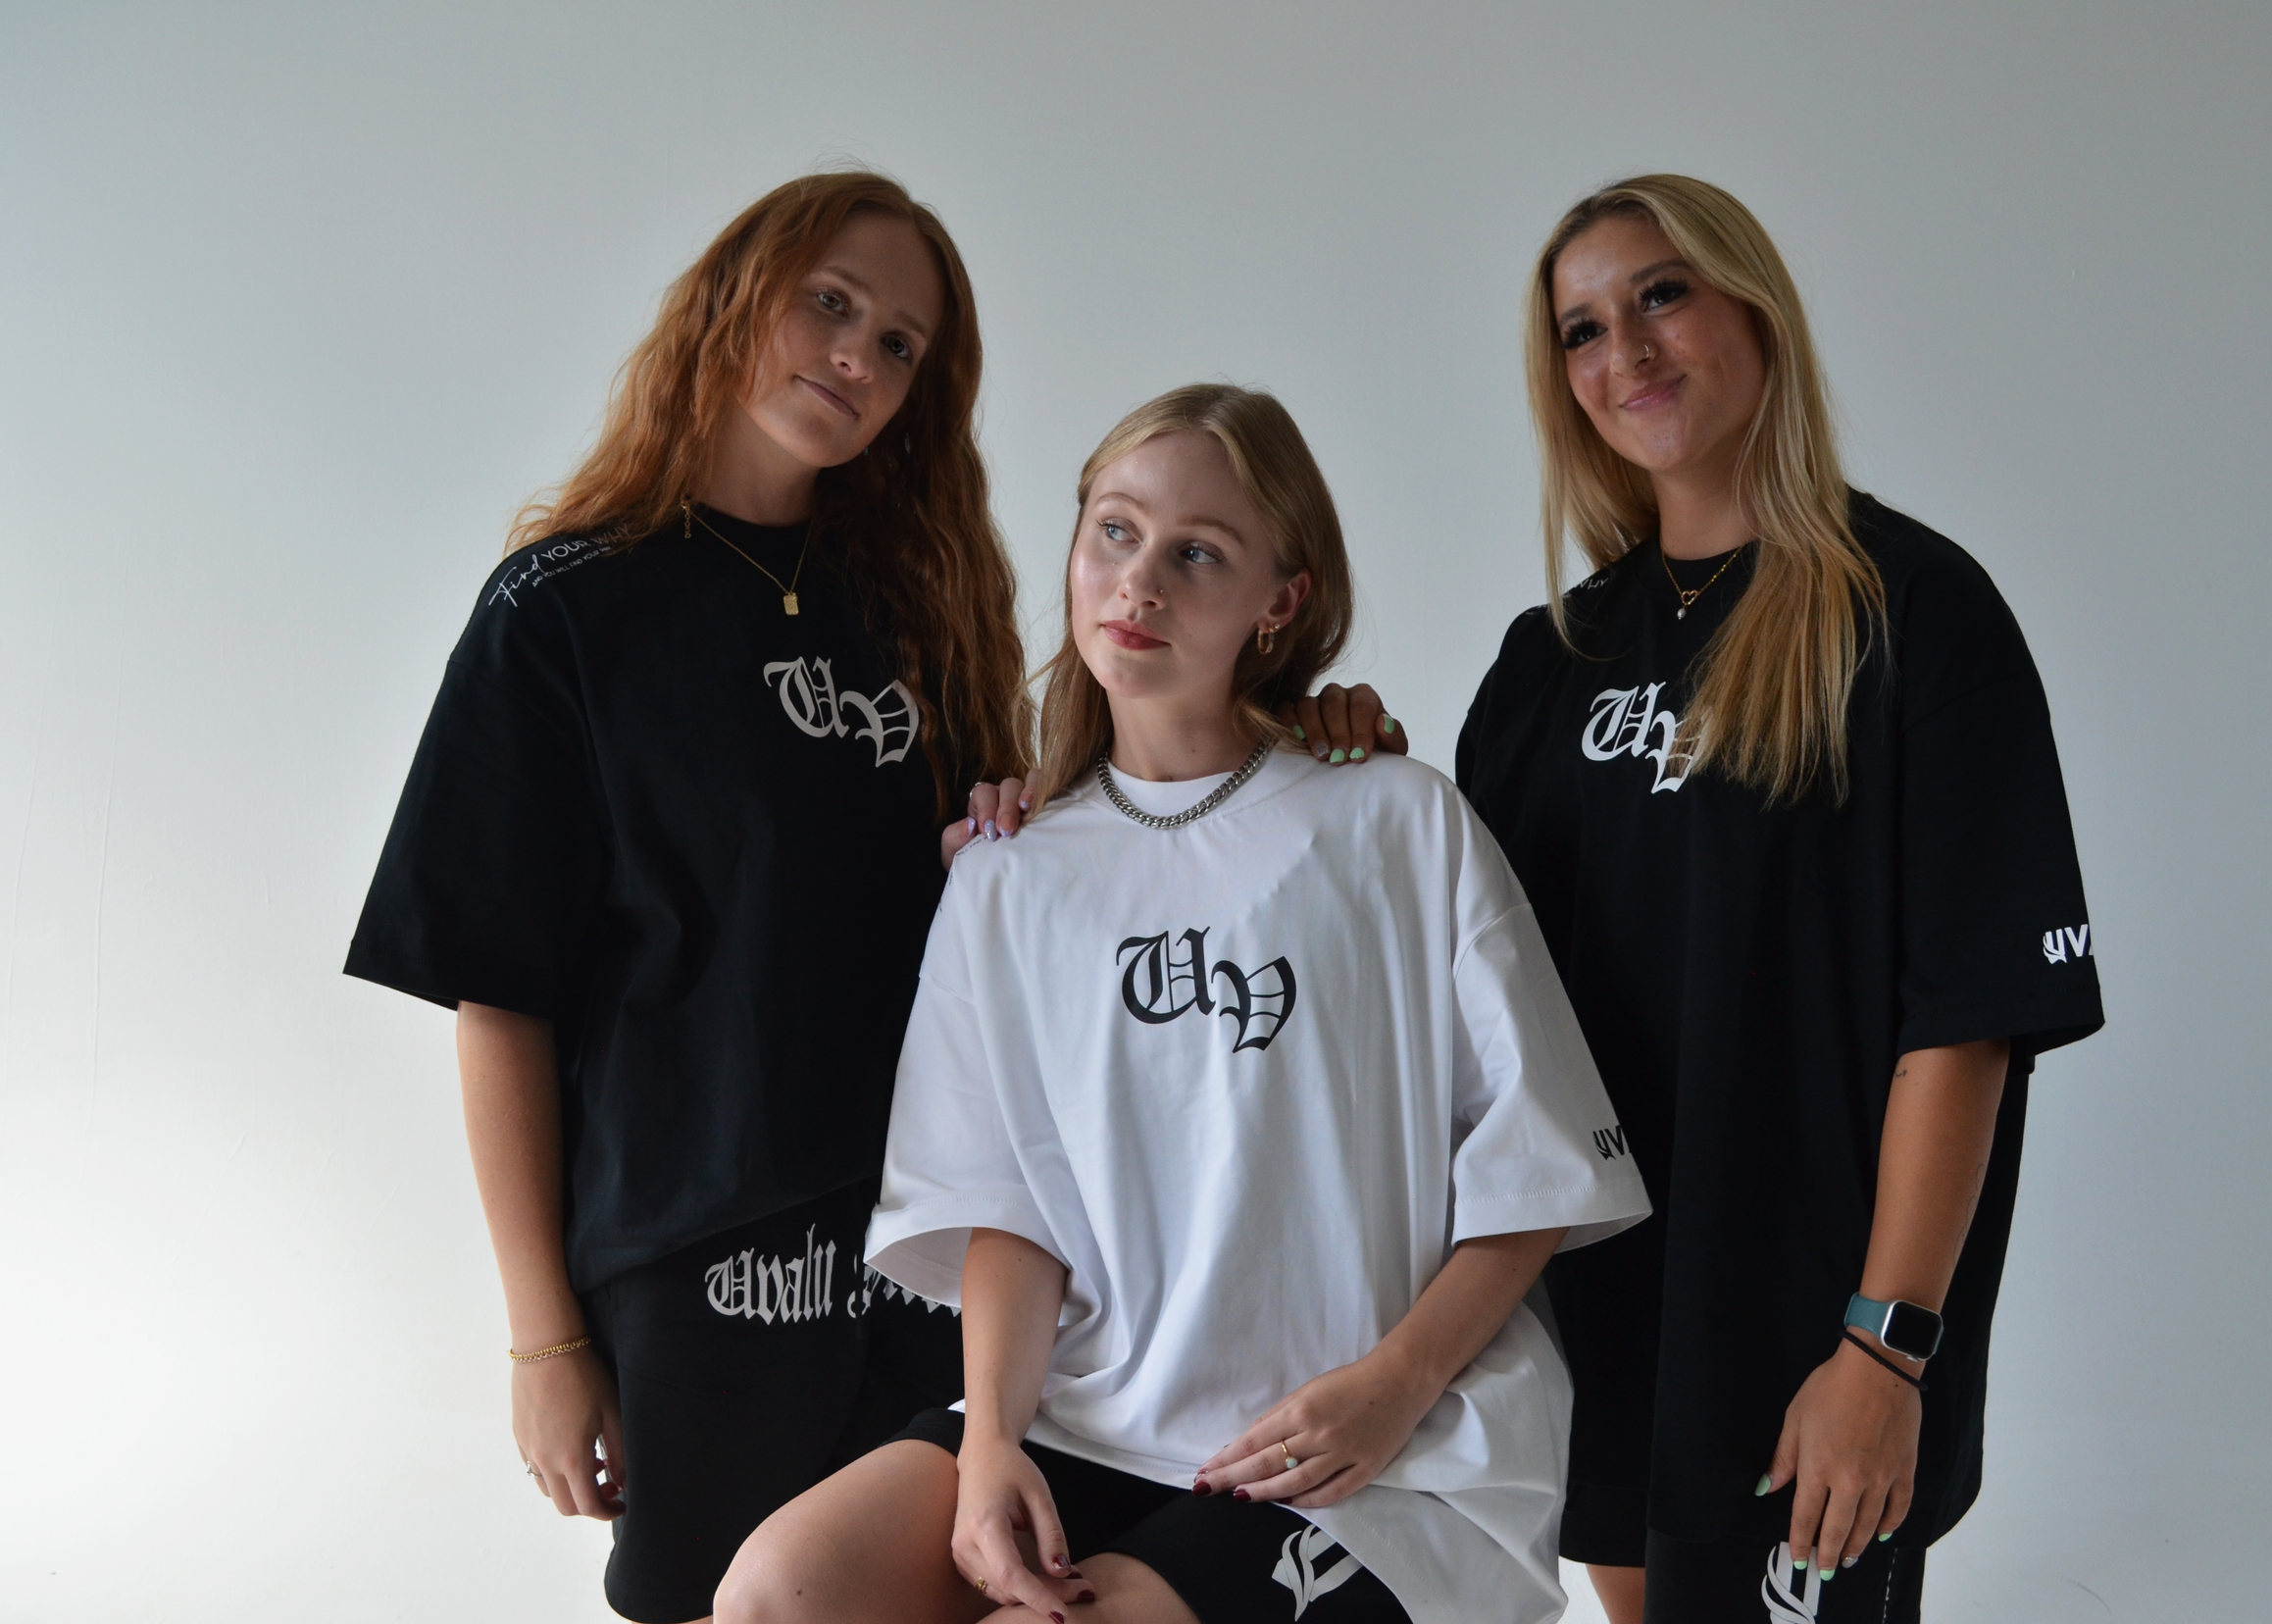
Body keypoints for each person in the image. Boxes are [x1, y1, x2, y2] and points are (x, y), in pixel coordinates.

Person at [713, 382, 1650, 1624]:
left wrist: (1395, 1382)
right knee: (776, 1593)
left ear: (1282, 602)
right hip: (1090, 1412)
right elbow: (1005, 1203)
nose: (1139, 581)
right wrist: (987, 1444)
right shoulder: (1010, 873)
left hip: (1369, 1447)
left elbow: (1538, 1170)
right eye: (1115, 531)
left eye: (1196, 552)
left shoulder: (1390, 821)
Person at [343, 172, 1044, 1624]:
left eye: (901, 345)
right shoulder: (562, 614)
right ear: (733, 300)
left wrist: (1313, 724)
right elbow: (500, 993)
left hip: (942, 1232)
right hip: (701, 1254)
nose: (858, 356)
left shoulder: (924, 607)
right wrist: (545, 1342)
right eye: (831, 304)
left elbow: (1038, 886)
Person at [1425, 175, 2103, 1621]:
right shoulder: (1553, 661)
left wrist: (1885, 1348)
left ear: (1755, 307)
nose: (1630, 351)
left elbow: (1967, 1022)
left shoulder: (1912, 611)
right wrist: (1333, 747)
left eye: (1663, 293)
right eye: (1584, 328)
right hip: (1593, 1318)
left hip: (1809, 1330)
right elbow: (1452, 982)